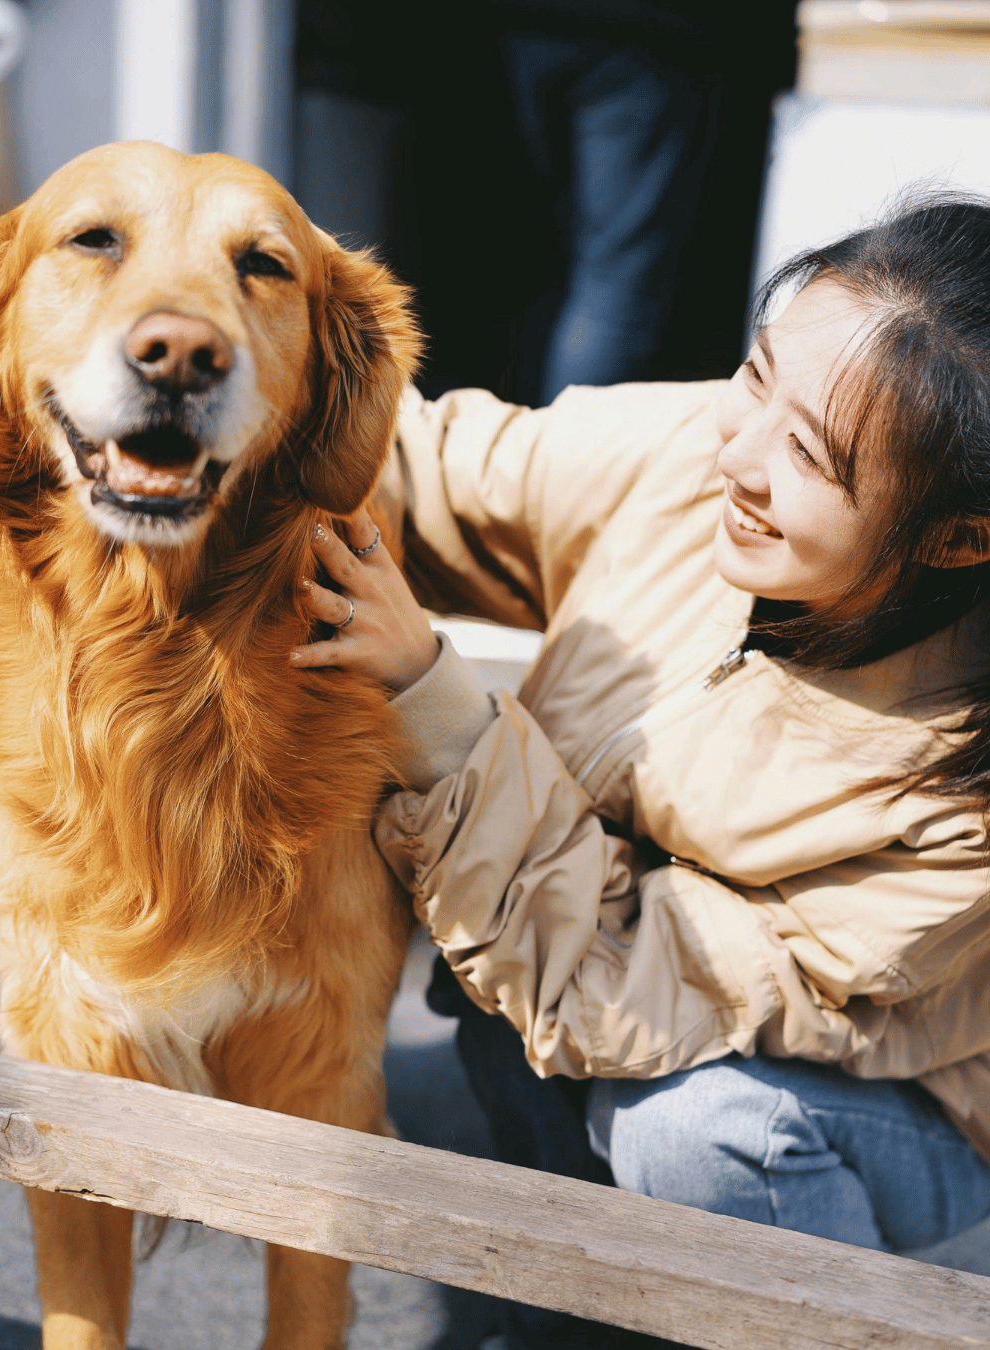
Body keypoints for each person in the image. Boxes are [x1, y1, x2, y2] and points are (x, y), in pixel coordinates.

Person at [290, 197, 990, 1349]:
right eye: (756, 376)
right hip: (604, 969)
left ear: (961, 538)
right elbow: (429, 465)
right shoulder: (705, 454)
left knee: (702, 1128)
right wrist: (233, 384)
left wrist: (435, 700)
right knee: (506, 1016)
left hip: (893, 1105)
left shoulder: (960, 794)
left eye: (810, 454)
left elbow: (624, 980)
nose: (739, 453)